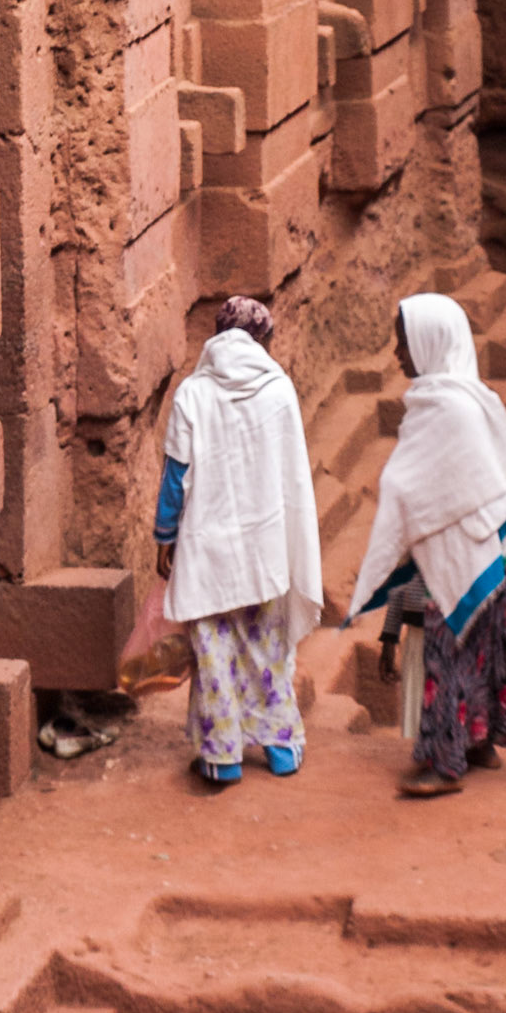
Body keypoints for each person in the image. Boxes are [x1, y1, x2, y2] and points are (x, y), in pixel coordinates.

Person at [347, 292, 506, 797]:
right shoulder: (473, 397)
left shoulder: (444, 408)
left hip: (457, 556)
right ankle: (479, 742)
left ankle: (444, 761)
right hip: (489, 549)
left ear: (431, 342)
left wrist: (395, 500)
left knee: (446, 653)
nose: (397, 354)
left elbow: (409, 486)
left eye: (403, 341)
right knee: (479, 649)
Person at [154, 295, 322, 787]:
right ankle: (280, 747)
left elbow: (175, 476)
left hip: (207, 548)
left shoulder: (192, 393)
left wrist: (165, 536)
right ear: (262, 339)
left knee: (213, 652)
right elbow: (292, 475)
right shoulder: (278, 390)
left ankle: (222, 756)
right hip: (263, 548)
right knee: (265, 653)